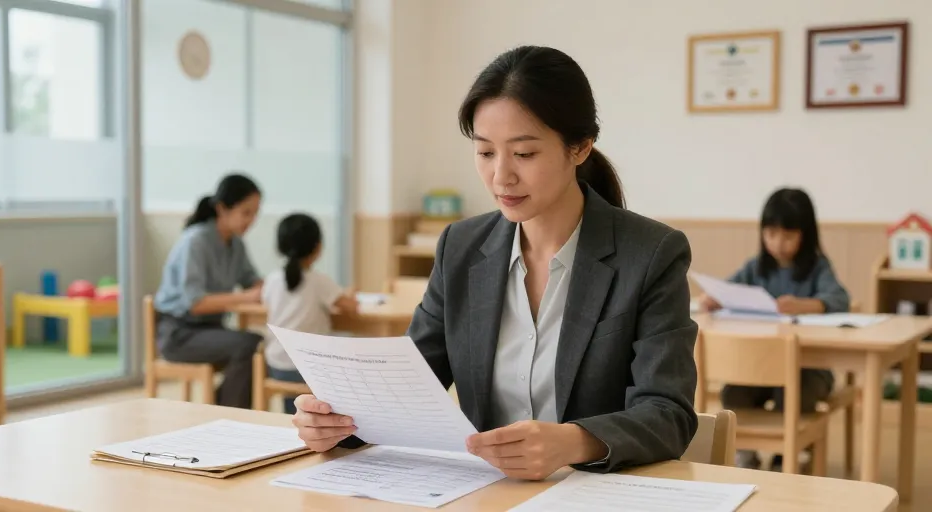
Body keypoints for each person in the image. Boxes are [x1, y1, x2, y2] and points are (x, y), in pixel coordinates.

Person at [289, 45, 699, 480]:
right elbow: (407, 390)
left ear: (579, 148)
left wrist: (573, 441)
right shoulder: (461, 246)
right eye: (485, 153)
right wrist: (336, 423)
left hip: (597, 492)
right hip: (483, 492)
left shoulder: (652, 253)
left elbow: (667, 413)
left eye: (524, 154)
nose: (501, 176)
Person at [699, 187, 850, 471]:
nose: (778, 243)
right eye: (770, 234)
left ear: (806, 236)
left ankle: (788, 454)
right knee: (733, 394)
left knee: (792, 395)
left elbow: (840, 299)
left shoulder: (817, 267)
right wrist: (714, 298)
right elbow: (728, 290)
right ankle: (746, 451)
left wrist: (804, 305)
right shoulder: (756, 267)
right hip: (758, 366)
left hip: (806, 370)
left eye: (788, 235)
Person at [154, 173, 265, 409]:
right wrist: (245, 297)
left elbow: (251, 280)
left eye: (255, 213)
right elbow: (195, 302)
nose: (252, 220)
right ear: (222, 209)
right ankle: (227, 414)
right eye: (246, 212)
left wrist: (265, 286)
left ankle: (223, 409)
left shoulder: (236, 244)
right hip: (179, 334)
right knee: (249, 345)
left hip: (210, 331)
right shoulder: (195, 241)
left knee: (256, 346)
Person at [262, 213, 359, 414]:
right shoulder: (318, 281)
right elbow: (350, 306)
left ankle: (291, 418)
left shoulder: (272, 280)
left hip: (276, 366)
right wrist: (350, 294)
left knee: (292, 397)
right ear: (317, 247)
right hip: (309, 371)